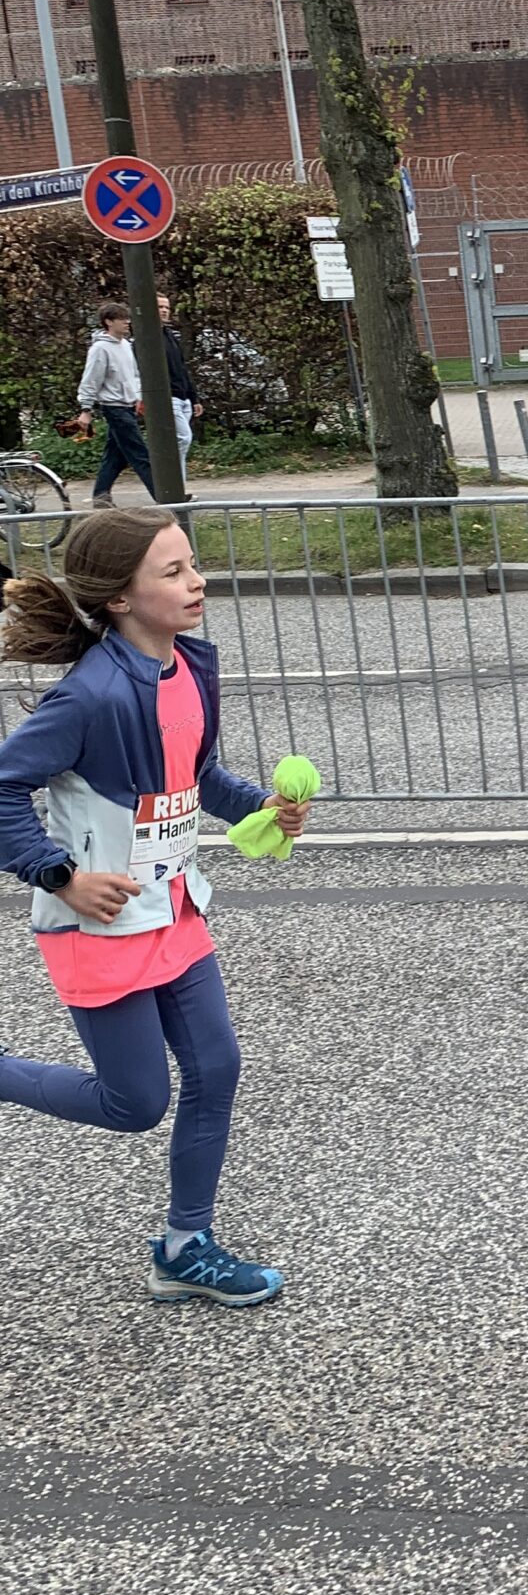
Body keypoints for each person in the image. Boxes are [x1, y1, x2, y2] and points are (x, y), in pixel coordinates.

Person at [0, 507, 310, 1305]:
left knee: (217, 1067)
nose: (197, 581)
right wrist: (59, 875)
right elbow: (2, 788)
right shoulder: (91, 697)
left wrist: (261, 807)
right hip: (98, 927)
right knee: (133, 1103)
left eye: (192, 563)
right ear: (119, 599)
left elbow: (193, 775)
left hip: (173, 909)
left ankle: (184, 1246)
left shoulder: (187, 667)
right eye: (173, 572)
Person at [74, 302, 157, 509]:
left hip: (128, 405)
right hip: (114, 407)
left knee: (115, 457)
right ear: (109, 322)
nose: (127, 322)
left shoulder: (126, 345)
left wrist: (138, 396)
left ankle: (101, 496)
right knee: (140, 454)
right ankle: (164, 495)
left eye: (127, 318)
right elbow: (91, 380)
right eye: (122, 319)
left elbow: (134, 374)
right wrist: (86, 409)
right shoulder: (100, 349)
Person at [155, 292, 201, 479]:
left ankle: (178, 483)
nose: (164, 311)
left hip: (183, 397)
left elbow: (181, 367)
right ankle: (172, 481)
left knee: (180, 443)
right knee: (183, 438)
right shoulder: (149, 338)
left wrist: (193, 397)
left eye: (167, 307)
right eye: (160, 307)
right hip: (169, 397)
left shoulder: (170, 335)